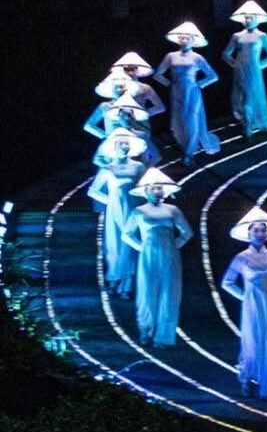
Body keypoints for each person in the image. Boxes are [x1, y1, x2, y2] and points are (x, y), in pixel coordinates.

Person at [221, 206, 267, 400]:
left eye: (263, 230)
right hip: (251, 305)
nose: (260, 234)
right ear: (249, 233)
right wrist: (244, 296)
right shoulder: (242, 257)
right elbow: (227, 282)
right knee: (252, 341)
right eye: (256, 230)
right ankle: (246, 377)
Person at [122, 167, 193, 348]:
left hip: (170, 254)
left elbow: (187, 232)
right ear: (145, 191)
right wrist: (142, 248)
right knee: (147, 291)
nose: (157, 191)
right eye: (153, 188)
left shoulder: (173, 210)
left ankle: (163, 335)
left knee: (169, 291)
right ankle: (145, 329)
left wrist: (173, 246)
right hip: (148, 254)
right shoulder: (139, 211)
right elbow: (127, 234)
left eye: (159, 188)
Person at [86, 128, 146, 298]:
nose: (124, 146)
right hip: (114, 210)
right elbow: (93, 191)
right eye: (121, 143)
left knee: (131, 243)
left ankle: (126, 285)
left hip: (133, 207)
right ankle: (113, 278)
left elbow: (143, 187)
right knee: (114, 244)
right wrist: (110, 201)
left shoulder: (138, 166)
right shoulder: (107, 169)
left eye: (127, 143)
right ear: (114, 146)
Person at [154, 21, 220, 167]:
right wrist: (170, 84)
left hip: (192, 92)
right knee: (178, 122)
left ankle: (189, 154)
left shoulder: (197, 57)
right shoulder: (170, 56)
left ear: (193, 40)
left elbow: (213, 76)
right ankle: (186, 148)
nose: (184, 40)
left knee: (192, 121)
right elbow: (158, 74)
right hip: (176, 91)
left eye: (187, 38)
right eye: (182, 37)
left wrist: (198, 85)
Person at [222, 0, 267, 141]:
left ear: (257, 19)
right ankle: (247, 124)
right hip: (240, 70)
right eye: (246, 17)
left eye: (250, 17)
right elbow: (225, 53)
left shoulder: (262, 36)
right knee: (240, 98)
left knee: (249, 99)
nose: (248, 20)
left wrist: (259, 65)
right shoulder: (237, 36)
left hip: (254, 71)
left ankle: (247, 128)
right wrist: (234, 64)